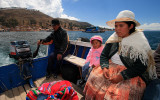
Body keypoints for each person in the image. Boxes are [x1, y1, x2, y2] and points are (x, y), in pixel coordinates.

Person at [83, 10, 157, 100]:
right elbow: (104, 55)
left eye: (121, 26)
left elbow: (141, 66)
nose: (117, 29)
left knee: (119, 94)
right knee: (94, 77)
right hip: (111, 67)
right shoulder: (113, 38)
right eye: (116, 26)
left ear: (131, 26)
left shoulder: (139, 42)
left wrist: (122, 76)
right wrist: (105, 67)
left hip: (130, 73)